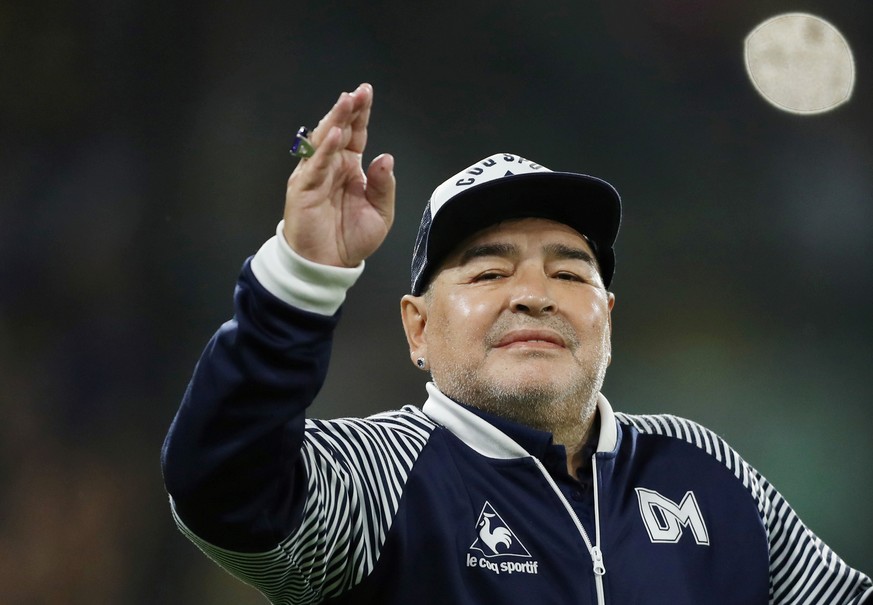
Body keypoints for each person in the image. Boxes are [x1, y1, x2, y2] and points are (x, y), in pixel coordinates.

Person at [161, 83, 872, 605]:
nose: (534, 292)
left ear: (607, 318)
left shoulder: (703, 472)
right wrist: (300, 280)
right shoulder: (381, 477)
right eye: (490, 270)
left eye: (568, 270)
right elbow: (223, 487)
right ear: (417, 326)